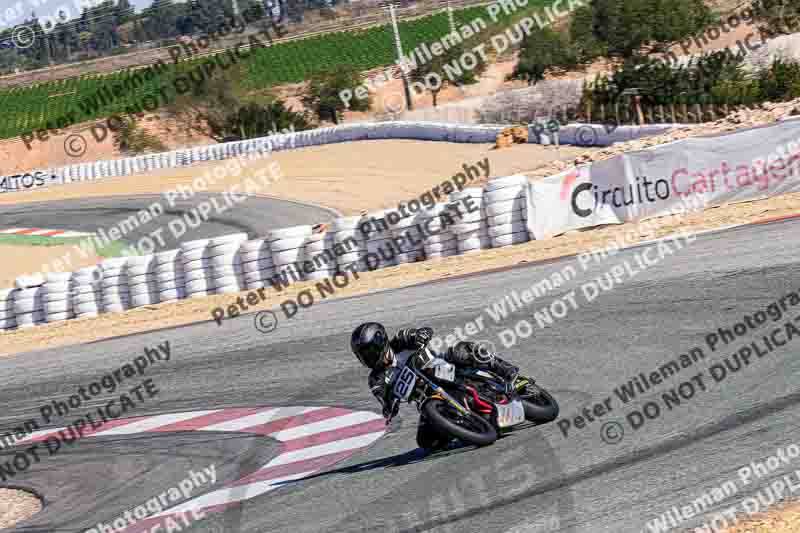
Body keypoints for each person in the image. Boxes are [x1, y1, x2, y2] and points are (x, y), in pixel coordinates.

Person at [350, 322, 521, 450]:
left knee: (461, 351)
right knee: (425, 442)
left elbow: (421, 332)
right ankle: (463, 426)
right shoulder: (376, 379)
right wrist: (389, 408)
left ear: (381, 342)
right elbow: (384, 400)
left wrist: (421, 335)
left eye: (369, 351)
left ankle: (504, 369)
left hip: (445, 368)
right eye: (362, 355)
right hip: (426, 398)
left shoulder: (400, 341)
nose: (367, 357)